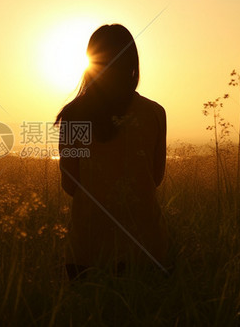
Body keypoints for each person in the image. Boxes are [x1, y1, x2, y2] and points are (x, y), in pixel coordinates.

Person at [54, 24, 168, 280]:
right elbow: (156, 178)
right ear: (132, 64)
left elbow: (70, 185)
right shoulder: (155, 113)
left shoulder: (74, 116)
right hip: (146, 250)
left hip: (87, 252)